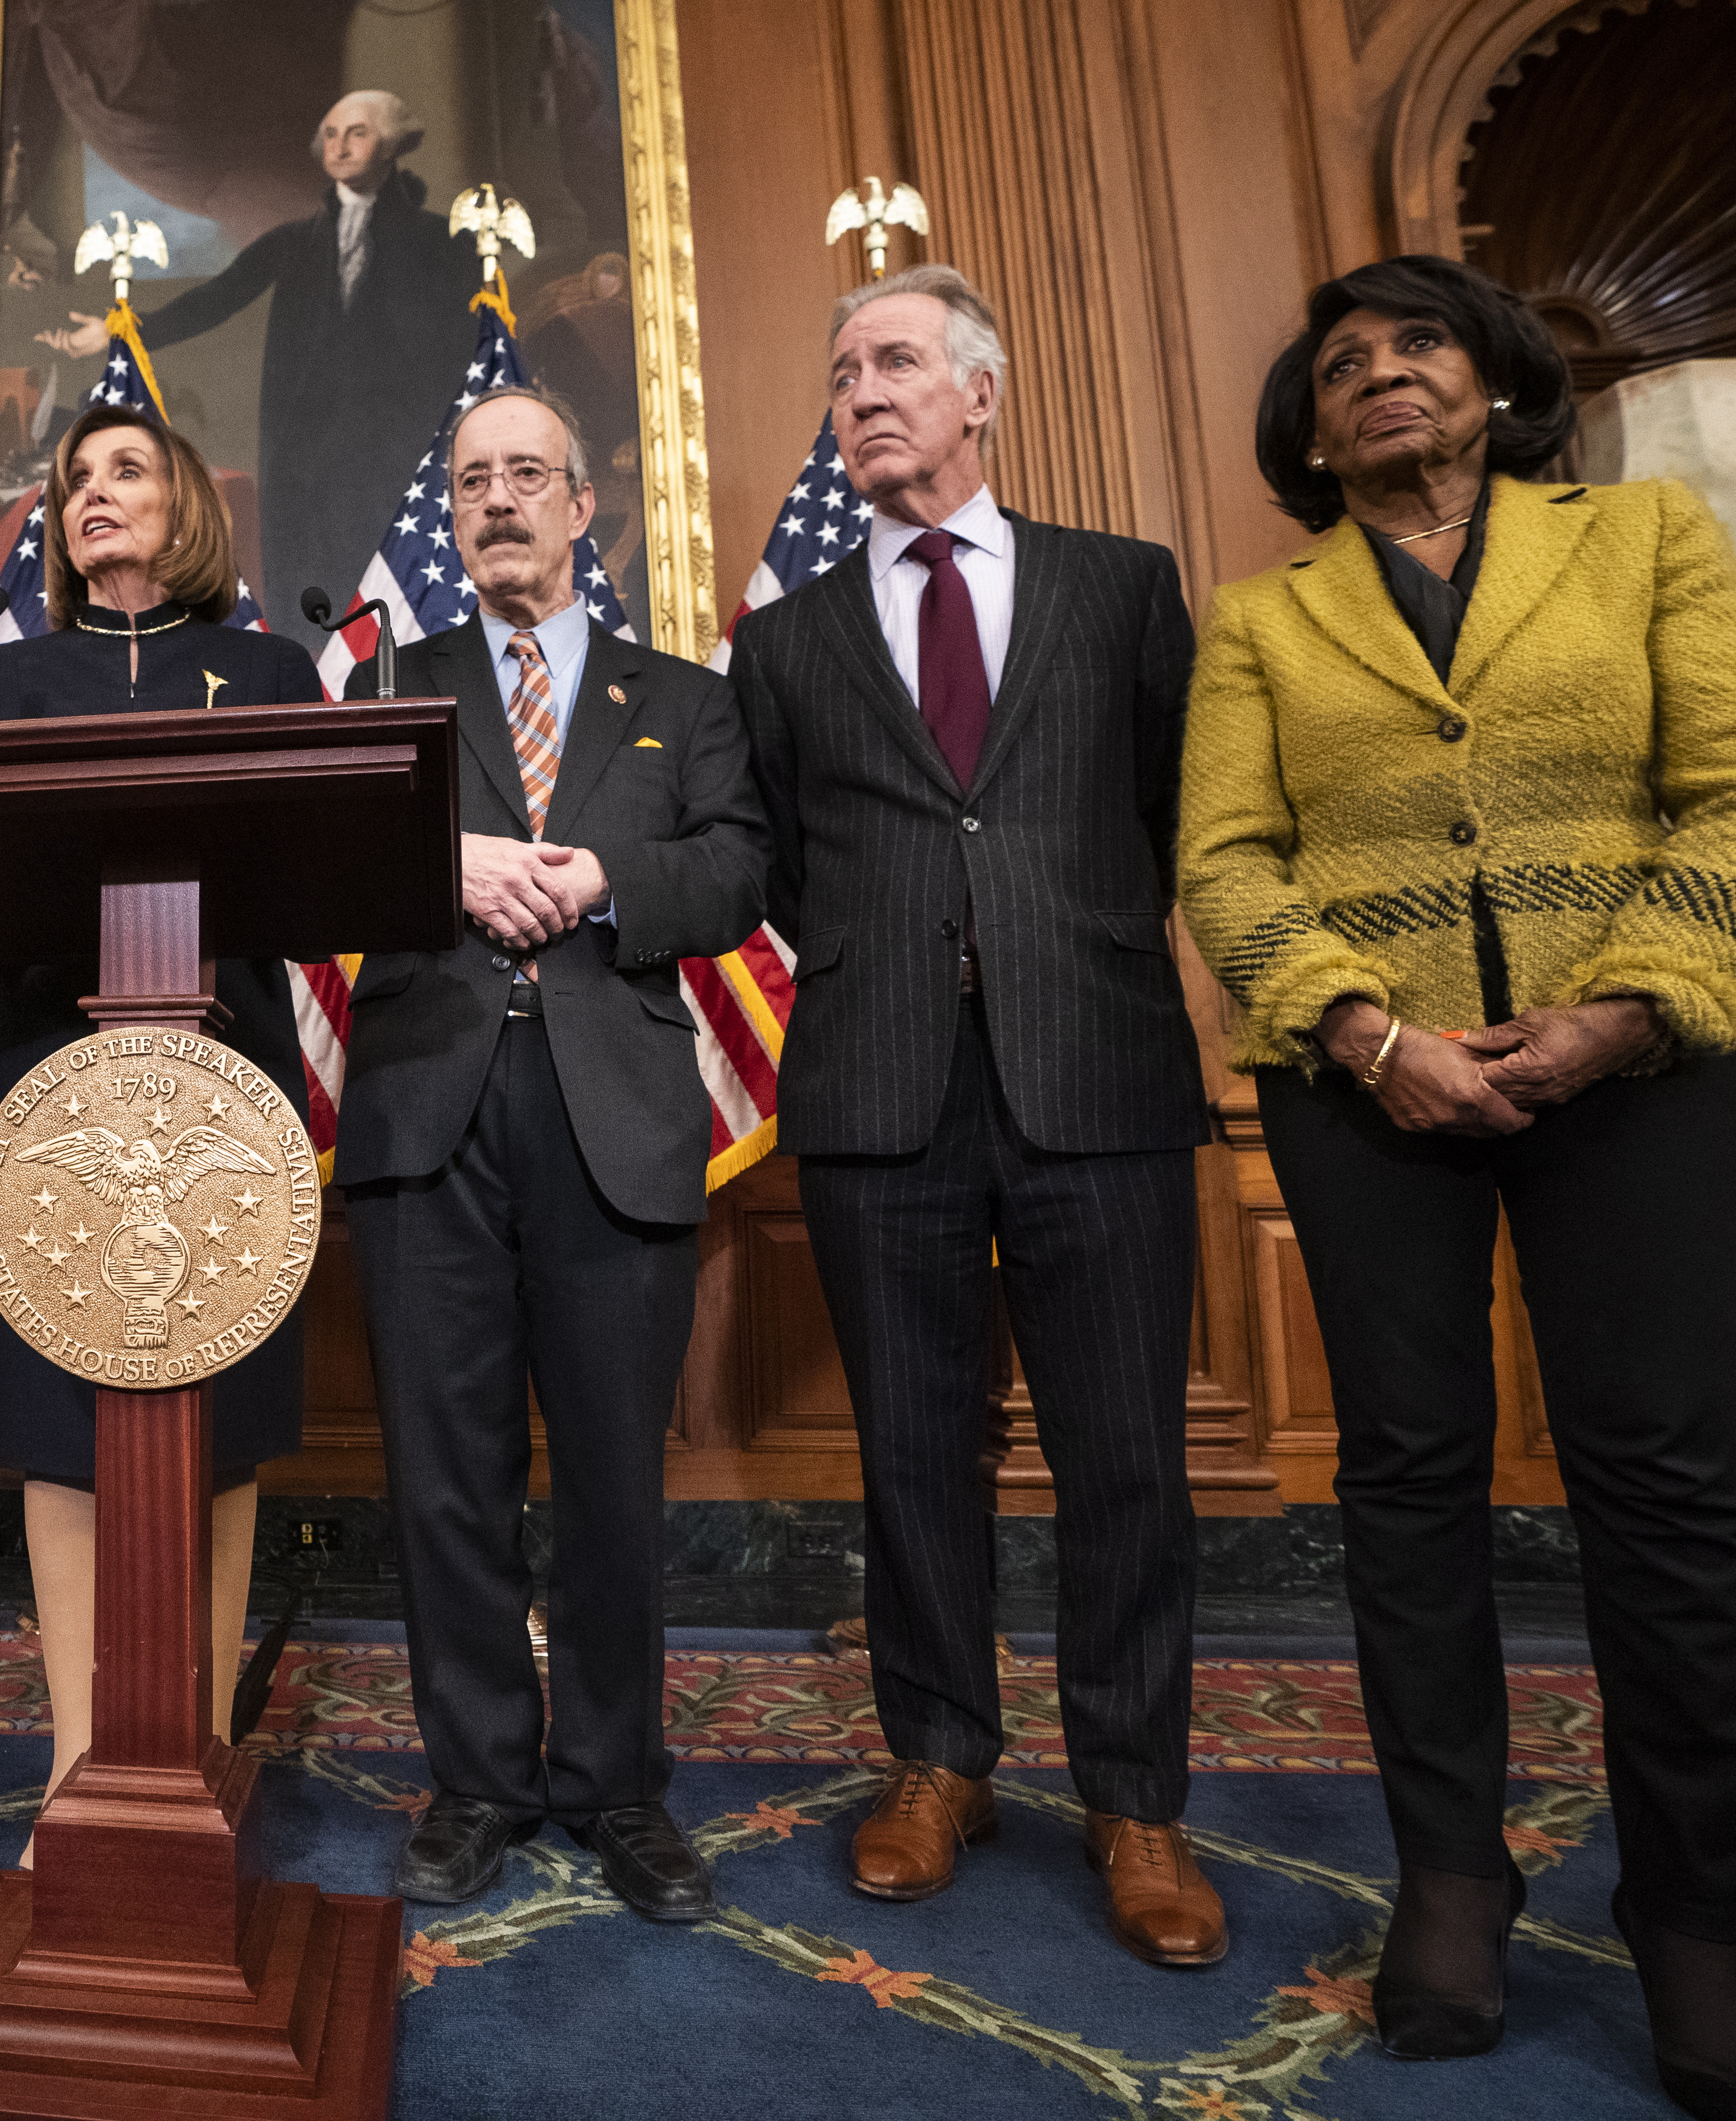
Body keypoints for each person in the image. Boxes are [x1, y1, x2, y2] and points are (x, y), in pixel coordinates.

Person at [1179, 255, 1736, 2115]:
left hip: (1640, 1070)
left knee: (1667, 1490)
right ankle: (1455, 1878)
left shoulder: (1644, 544)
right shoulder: (1261, 620)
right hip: (1371, 1094)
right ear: (1309, 427)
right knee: (1407, 1480)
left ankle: (1696, 1922)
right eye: (1346, 365)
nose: (1381, 379)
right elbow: (1227, 859)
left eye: (1418, 348)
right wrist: (1372, 1036)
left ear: (1499, 382)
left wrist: (1619, 1014)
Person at [728, 266, 1226, 1967]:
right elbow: (786, 858)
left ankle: (1136, 1796)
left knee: (1128, 1459)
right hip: (881, 1092)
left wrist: (1044, 942)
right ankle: (937, 1758)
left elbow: (1167, 814)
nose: (863, 393)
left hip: (1095, 1071)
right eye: (843, 368)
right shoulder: (784, 639)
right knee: (913, 1456)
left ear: (981, 393)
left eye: (895, 363)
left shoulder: (1118, 587)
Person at [338, 382, 763, 1922]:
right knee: (444, 1478)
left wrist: (599, 880)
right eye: (473, 482)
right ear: (451, 518)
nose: (499, 501)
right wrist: (436, 861)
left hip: (614, 1116)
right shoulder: (391, 680)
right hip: (426, 1109)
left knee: (605, 1480)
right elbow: (318, 863)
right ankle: (476, 1787)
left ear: (587, 508)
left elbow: (733, 872)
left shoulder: (686, 698)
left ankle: (615, 1787)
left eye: (528, 476)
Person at [0, 404, 321, 1863]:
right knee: (62, 1419)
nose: (95, 495)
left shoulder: (271, 671)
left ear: (186, 508)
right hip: (59, 1068)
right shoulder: (10, 680)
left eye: (127, 472)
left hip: (227, 1074)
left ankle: (200, 1756)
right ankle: (73, 1762)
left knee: (214, 1410)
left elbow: (308, 869)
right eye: (74, 481)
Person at [35, 90, 470, 647]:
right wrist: (119, 330)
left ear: (391, 144)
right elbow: (216, 298)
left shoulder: (442, 242)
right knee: (314, 597)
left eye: (357, 133)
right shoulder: (294, 242)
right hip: (306, 460)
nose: (339, 145)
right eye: (331, 134)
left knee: (399, 600)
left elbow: (458, 346)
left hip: (397, 454)